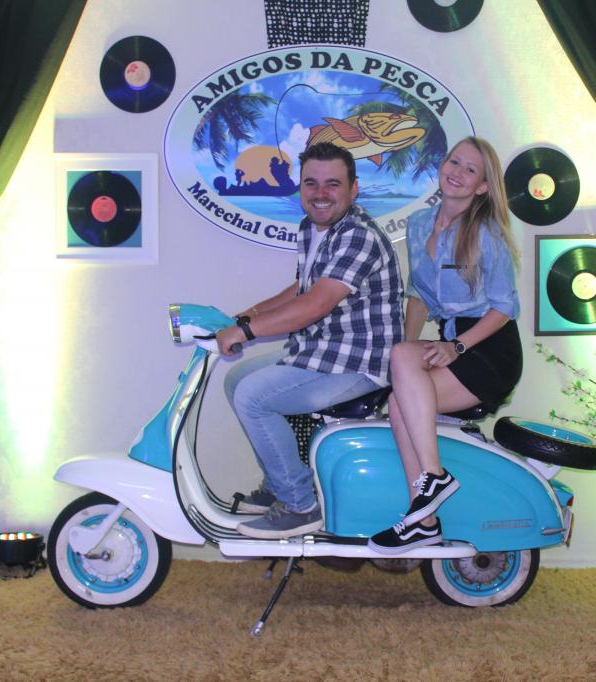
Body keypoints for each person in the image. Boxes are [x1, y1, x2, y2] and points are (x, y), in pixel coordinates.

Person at [217, 142, 403, 539]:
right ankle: (279, 484)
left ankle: (300, 505)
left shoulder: (358, 236)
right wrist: (248, 314)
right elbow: (304, 288)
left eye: (333, 184)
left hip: (358, 363)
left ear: (354, 188)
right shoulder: (313, 228)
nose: (320, 193)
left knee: (253, 396)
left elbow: (316, 304)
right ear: (300, 186)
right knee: (236, 380)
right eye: (311, 183)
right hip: (323, 350)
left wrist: (246, 331)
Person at [368, 136, 522, 553]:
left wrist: (457, 347)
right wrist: (404, 363)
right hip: (452, 339)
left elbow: (504, 309)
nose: (457, 172)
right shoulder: (420, 224)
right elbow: (418, 297)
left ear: (483, 186)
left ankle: (434, 477)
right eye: (454, 162)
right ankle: (424, 520)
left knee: (402, 380)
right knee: (399, 397)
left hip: (489, 347)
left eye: (470, 169)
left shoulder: (487, 233)